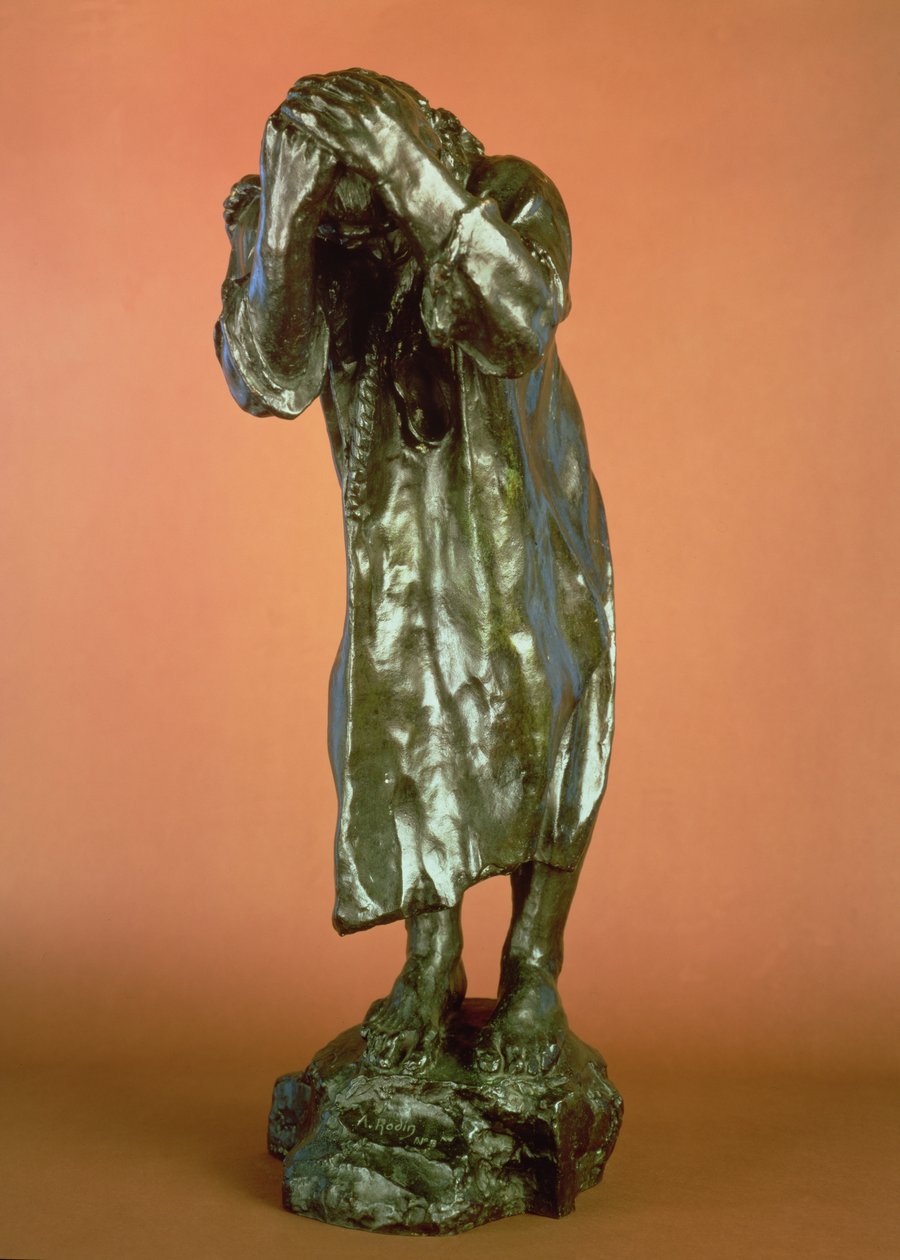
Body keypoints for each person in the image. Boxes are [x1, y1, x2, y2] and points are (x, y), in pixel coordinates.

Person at [215, 69, 614, 1076]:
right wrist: (282, 225)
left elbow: (519, 318)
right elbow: (267, 378)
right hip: (399, 554)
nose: (346, 190)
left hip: (526, 532)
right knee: (394, 720)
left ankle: (534, 963)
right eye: (329, 171)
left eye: (360, 158)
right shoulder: (307, 233)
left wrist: (413, 177)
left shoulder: (505, 192)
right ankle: (431, 960)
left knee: (543, 711)